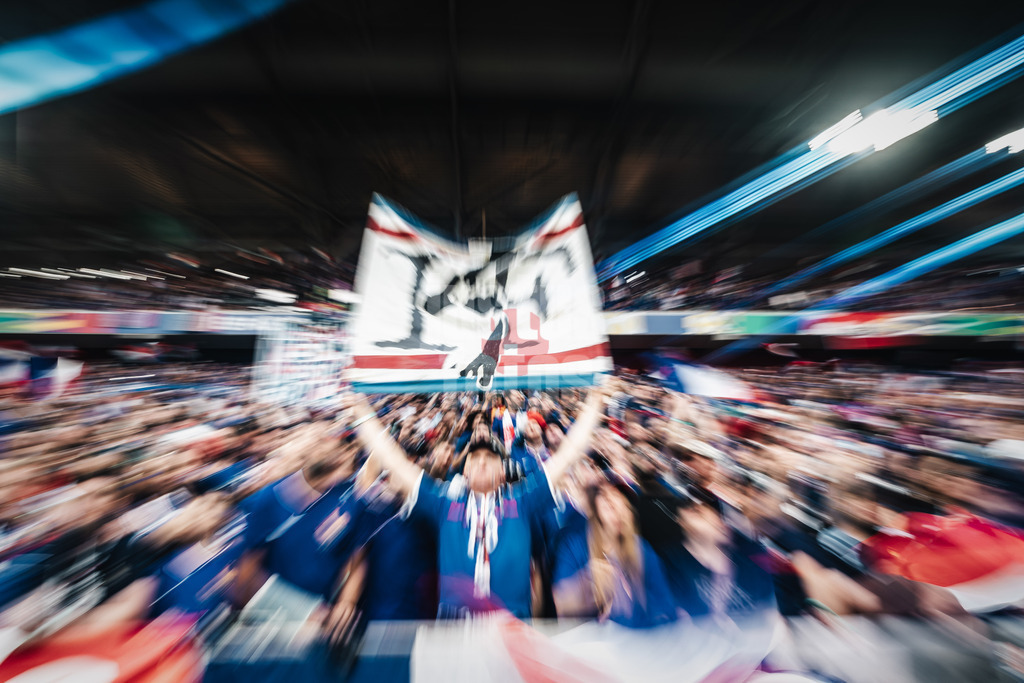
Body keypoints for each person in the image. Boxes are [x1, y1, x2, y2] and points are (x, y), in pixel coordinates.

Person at [347, 384, 606, 619]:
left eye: (491, 458)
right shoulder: (443, 503)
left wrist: (596, 401)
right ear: (465, 471)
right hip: (454, 633)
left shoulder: (524, 500)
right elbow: (392, 460)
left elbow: (570, 453)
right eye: (475, 458)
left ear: (503, 472)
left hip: (513, 633)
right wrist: (361, 411)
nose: (482, 461)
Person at [585, 476, 679, 628]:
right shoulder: (579, 549)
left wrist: (661, 622)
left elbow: (663, 602)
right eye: (608, 504)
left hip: (644, 639)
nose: (618, 511)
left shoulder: (641, 548)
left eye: (623, 504)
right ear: (595, 513)